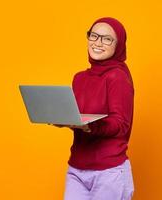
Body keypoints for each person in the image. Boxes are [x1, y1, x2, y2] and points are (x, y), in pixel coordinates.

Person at [51, 17, 135, 200]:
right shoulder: (79, 78)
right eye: (94, 36)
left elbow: (121, 125)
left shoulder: (117, 77)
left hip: (109, 172)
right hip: (77, 168)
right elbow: (79, 116)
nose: (98, 43)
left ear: (118, 45)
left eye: (107, 39)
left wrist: (91, 127)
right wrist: (62, 119)